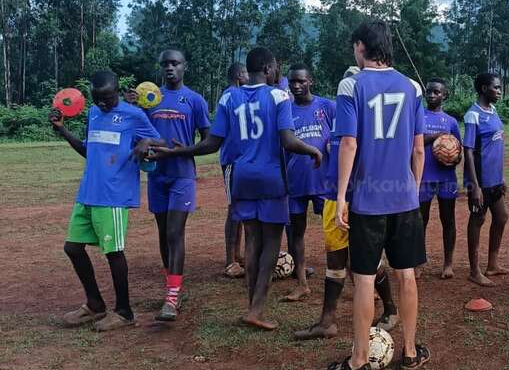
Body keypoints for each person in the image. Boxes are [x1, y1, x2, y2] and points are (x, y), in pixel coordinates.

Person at [149, 47, 322, 330]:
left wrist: (177, 152)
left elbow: (211, 144)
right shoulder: (279, 96)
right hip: (271, 178)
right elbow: (289, 141)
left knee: (252, 239)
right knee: (271, 244)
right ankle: (257, 308)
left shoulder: (229, 96)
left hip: (241, 176)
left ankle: (250, 303)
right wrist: (312, 151)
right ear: (267, 69)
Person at [319, 20, 429, 370]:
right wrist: (413, 189)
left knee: (365, 279)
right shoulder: (412, 87)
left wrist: (340, 194)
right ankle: (410, 352)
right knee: (407, 275)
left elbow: (348, 144)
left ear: (362, 48)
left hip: (368, 199)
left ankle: (358, 361)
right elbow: (417, 148)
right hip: (404, 198)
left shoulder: (351, 85)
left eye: (355, 47)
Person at [293, 66, 399, 341]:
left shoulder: (369, 128)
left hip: (359, 200)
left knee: (369, 260)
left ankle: (390, 309)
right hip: (332, 198)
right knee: (335, 259)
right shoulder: (336, 124)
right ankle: (327, 321)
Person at [51, 71, 161, 331]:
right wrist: (62, 130)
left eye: (108, 98)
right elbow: (90, 151)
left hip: (113, 196)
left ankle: (124, 311)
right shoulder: (93, 114)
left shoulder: (133, 115)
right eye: (98, 99)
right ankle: (95, 305)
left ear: (118, 93)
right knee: (73, 248)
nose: (103, 104)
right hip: (88, 192)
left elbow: (161, 139)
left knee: (113, 252)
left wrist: (146, 141)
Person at [138, 49, 211, 322]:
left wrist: (181, 151)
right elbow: (139, 135)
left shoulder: (194, 100)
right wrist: (144, 148)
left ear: (184, 66)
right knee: (162, 233)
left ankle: (171, 297)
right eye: (165, 64)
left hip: (182, 175)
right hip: (156, 176)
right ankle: (174, 285)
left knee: (174, 232)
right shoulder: (149, 99)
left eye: (175, 63)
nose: (170, 68)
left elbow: (208, 142)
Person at [283, 63, 335, 302]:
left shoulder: (327, 106)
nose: (296, 86)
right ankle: (302, 283)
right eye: (292, 81)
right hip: (295, 182)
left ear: (310, 81)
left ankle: (354, 280)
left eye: (301, 81)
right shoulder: (285, 110)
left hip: (325, 182)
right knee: (296, 233)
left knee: (338, 233)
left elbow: (343, 136)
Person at [463, 73, 509, 287]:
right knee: (477, 221)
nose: (500, 91)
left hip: (495, 181)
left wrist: (501, 179)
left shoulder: (493, 112)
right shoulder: (473, 115)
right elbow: (469, 151)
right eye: (496, 87)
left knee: (501, 217)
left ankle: (492, 264)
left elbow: (496, 148)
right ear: (484, 88)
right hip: (480, 183)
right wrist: (474, 186)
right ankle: (474, 271)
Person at [419, 79, 461, 280]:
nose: (431, 95)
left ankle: (448, 264)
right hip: (423, 177)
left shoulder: (451, 121)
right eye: (429, 91)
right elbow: (414, 142)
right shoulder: (418, 116)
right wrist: (437, 136)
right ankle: (418, 262)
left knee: (448, 220)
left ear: (445, 95)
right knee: (421, 220)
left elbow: (459, 151)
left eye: (436, 92)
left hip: (446, 178)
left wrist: (452, 157)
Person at [221, 61, 249, 279]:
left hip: (246, 160)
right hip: (233, 161)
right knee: (235, 209)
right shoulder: (230, 97)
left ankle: (241, 256)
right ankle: (231, 260)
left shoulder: (243, 95)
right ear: (240, 75)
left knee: (244, 208)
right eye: (247, 72)